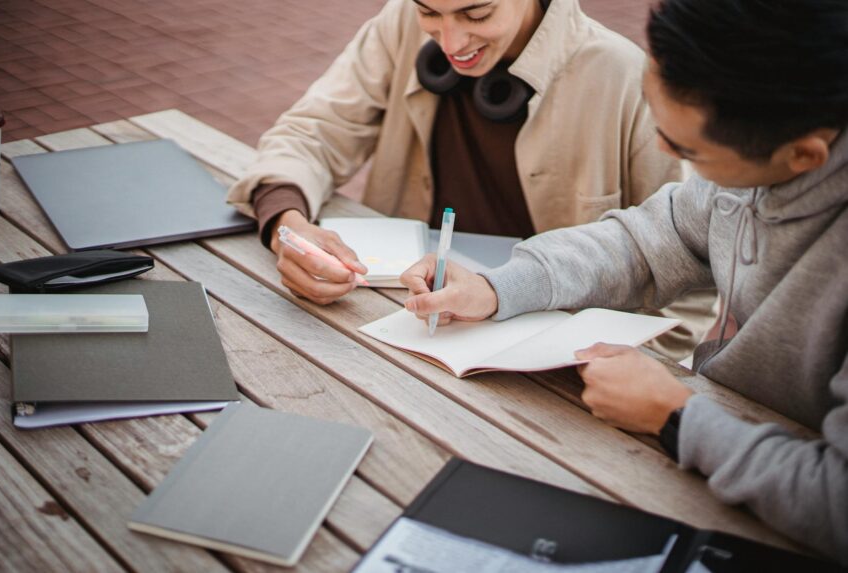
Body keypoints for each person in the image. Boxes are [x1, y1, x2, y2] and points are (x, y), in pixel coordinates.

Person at [400, 0, 848, 562]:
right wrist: (498, 288)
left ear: (803, 156)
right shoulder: (754, 145)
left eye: (687, 150)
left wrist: (675, 416)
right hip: (709, 451)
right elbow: (642, 241)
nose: (663, 150)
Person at [226, 0, 716, 360]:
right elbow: (314, 131)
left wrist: (646, 364)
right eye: (429, 13)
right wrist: (287, 223)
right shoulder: (399, 22)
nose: (451, 42)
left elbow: (689, 266)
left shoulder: (621, 74)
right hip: (404, 324)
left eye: (477, 14)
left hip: (559, 359)